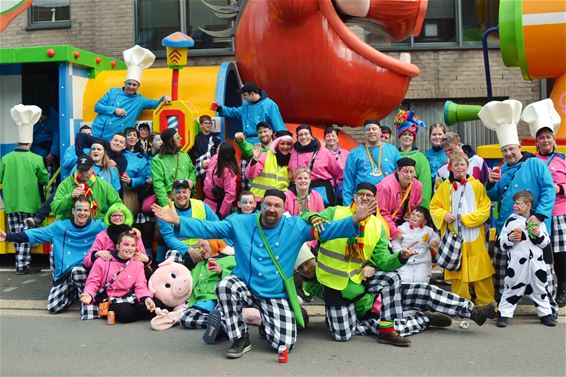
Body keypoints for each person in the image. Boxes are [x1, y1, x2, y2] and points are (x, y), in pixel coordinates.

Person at [152, 189, 375, 359]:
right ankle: (239, 337)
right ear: (261, 205)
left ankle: (265, 326)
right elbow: (212, 228)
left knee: (285, 343)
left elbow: (327, 231)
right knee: (225, 286)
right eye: (268, 204)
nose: (272, 209)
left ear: (284, 208)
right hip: (246, 286)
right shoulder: (240, 222)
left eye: (277, 205)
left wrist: (355, 219)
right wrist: (179, 221)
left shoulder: (295, 226)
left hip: (274, 293)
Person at [301, 183, 496, 346]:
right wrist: (313, 217)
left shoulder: (378, 226)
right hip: (350, 298)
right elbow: (304, 218)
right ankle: (422, 320)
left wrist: (400, 257)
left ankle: (471, 311)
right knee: (344, 335)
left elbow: (384, 261)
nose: (365, 199)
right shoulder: (335, 213)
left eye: (370, 196)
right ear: (354, 196)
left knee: (421, 290)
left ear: (375, 200)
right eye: (361, 195)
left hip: (370, 288)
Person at [479, 100, 555, 300]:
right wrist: (490, 184)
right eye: (505, 150)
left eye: (511, 149)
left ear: (519, 146)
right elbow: (494, 197)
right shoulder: (501, 169)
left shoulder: (536, 164)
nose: (508, 153)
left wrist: (539, 216)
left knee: (538, 268)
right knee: (507, 268)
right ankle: (506, 303)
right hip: (508, 227)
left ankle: (545, 305)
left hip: (533, 224)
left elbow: (548, 190)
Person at [0, 196, 106, 313]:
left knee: (78, 271)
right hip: (65, 274)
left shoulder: (98, 226)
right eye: (79, 209)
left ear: (90, 212)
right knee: (54, 307)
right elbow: (36, 234)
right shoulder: (59, 227)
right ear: (73, 211)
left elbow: (115, 235)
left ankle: (87, 301)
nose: (82, 213)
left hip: (87, 273)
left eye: (85, 210)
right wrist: (8, 237)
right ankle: (74, 294)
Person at [430, 152, 495, 306]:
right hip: (454, 238)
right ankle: (461, 305)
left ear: (467, 166)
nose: (459, 168)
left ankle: (487, 304)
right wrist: (444, 215)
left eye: (462, 164)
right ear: (450, 168)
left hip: (473, 236)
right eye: (456, 165)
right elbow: (434, 207)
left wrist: (468, 219)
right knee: (457, 274)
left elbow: (485, 209)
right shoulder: (444, 187)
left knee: (481, 272)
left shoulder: (477, 185)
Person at [522, 99, 566, 307]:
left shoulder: (563, 159)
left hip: (560, 213)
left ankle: (563, 288)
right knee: (542, 254)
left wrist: (561, 189)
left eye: (548, 137)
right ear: (536, 142)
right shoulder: (531, 162)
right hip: (538, 214)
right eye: (541, 138)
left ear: (553, 139)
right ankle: (542, 291)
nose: (545, 140)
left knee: (561, 255)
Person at [0, 104, 49, 274]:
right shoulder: (36, 159)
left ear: (17, 142)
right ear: (30, 143)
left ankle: (22, 262)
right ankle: (22, 265)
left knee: (15, 233)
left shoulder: (5, 158)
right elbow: (44, 178)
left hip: (12, 202)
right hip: (30, 202)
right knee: (26, 233)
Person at [496, 191, 556, 327]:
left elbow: (546, 241)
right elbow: (500, 241)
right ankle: (504, 313)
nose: (515, 206)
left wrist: (539, 234)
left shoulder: (538, 222)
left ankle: (546, 314)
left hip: (536, 265)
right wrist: (509, 239)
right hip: (517, 266)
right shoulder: (511, 221)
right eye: (515, 203)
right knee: (511, 288)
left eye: (519, 204)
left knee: (540, 289)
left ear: (528, 205)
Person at [91, 45, 171, 139]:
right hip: (98, 131)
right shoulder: (113, 91)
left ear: (138, 86)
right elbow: (97, 107)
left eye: (134, 85)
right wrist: (114, 110)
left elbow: (157, 104)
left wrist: (165, 97)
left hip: (116, 139)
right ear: (125, 83)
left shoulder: (140, 100)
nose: (131, 87)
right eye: (129, 83)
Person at [80, 232, 156, 323]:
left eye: (133, 245)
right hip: (109, 297)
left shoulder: (138, 263)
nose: (130, 248)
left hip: (129, 295)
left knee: (154, 306)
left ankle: (138, 311)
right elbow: (93, 282)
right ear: (118, 246)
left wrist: (146, 298)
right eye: (126, 245)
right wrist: (88, 294)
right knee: (126, 314)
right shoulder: (102, 261)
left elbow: (140, 286)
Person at [159, 179, 219, 268]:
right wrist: (189, 250)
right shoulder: (165, 211)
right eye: (178, 192)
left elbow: (217, 226)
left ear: (190, 193)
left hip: (204, 249)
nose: (181, 195)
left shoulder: (202, 206)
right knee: (172, 255)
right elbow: (169, 238)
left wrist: (207, 246)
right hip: (180, 251)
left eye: (184, 192)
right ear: (173, 194)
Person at [342, 119, 401, 205]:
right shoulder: (354, 153)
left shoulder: (393, 151)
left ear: (380, 131)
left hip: (388, 201)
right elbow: (348, 182)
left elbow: (401, 176)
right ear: (364, 133)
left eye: (374, 129)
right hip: (362, 201)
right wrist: (347, 206)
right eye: (368, 129)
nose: (371, 131)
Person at [51, 155, 122, 220]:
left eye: (86, 170)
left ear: (92, 168)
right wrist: (70, 197)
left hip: (94, 224)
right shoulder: (66, 183)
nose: (83, 173)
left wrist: (105, 220)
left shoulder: (102, 184)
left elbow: (118, 204)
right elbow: (55, 209)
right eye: (81, 170)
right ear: (76, 169)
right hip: (69, 223)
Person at [212, 82, 286, 144]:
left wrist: (283, 141)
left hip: (263, 142)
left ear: (252, 94)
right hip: (247, 142)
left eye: (245, 95)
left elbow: (278, 125)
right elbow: (235, 112)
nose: (243, 97)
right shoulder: (246, 104)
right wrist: (220, 109)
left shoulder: (270, 105)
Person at [289, 124, 343, 205]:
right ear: (297, 138)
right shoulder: (293, 154)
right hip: (300, 189)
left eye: (306, 134)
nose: (303, 137)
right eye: (300, 135)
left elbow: (336, 171)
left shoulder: (323, 152)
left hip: (321, 190)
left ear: (311, 136)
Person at [83, 203, 149, 269]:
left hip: (130, 270)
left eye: (120, 215)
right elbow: (86, 261)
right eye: (114, 215)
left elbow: (144, 258)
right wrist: (96, 254)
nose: (117, 218)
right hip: (107, 270)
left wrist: (146, 260)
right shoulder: (102, 236)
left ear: (126, 217)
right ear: (109, 218)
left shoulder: (134, 234)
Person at [377, 158, 423, 240]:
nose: (409, 175)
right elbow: (382, 213)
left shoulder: (418, 185)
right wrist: (395, 232)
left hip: (406, 223)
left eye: (411, 172)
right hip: (385, 223)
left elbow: (416, 208)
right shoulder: (385, 187)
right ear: (398, 171)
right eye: (405, 171)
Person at [394, 110, 432, 208]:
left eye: (410, 134)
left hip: (414, 207)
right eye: (404, 134)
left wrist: (422, 210)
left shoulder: (421, 158)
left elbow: (425, 186)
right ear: (399, 136)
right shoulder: (393, 155)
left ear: (414, 138)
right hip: (393, 205)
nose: (407, 137)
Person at [392, 207, 439, 283]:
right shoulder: (402, 228)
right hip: (405, 261)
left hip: (422, 261)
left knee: (421, 280)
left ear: (424, 221)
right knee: (405, 280)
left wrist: (434, 242)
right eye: (413, 214)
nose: (414, 216)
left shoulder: (428, 230)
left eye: (418, 215)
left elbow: (435, 237)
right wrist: (400, 252)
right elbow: (395, 241)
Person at [152, 128, 196, 206]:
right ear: (170, 141)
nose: (180, 139)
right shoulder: (158, 160)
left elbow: (192, 171)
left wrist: (191, 181)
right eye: (177, 137)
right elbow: (158, 185)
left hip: (187, 201)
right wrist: (167, 206)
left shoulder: (184, 155)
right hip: (171, 202)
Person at [246, 130, 293, 203]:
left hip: (278, 202)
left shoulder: (292, 161)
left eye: (288, 144)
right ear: (277, 144)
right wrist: (255, 159)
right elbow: (250, 175)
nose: (285, 146)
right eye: (282, 144)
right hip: (259, 201)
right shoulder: (265, 156)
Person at [203, 142, 239, 218]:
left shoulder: (228, 171)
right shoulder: (214, 158)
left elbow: (230, 194)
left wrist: (221, 213)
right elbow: (211, 167)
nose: (217, 150)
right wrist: (204, 165)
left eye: (219, 149)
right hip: (206, 202)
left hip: (217, 206)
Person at [234, 121, 273, 190]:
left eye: (265, 131)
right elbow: (247, 148)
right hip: (259, 193)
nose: (263, 134)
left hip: (276, 194)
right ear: (257, 135)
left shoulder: (279, 147)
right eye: (260, 132)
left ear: (271, 132)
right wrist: (240, 140)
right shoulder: (257, 149)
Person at [324, 126, 349, 204]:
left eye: (333, 135)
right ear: (324, 139)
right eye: (328, 136)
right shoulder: (320, 154)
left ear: (338, 138)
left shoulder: (346, 153)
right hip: (326, 187)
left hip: (342, 187)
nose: (331, 138)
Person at [191, 115, 221, 181]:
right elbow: (194, 153)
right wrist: (202, 162)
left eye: (210, 123)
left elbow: (219, 153)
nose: (208, 125)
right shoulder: (196, 139)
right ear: (201, 125)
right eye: (206, 123)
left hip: (214, 168)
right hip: (203, 170)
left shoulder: (215, 139)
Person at [424, 123, 447, 187]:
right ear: (430, 136)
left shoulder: (452, 150)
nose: (437, 137)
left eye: (440, 134)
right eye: (434, 134)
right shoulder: (426, 156)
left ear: (445, 136)